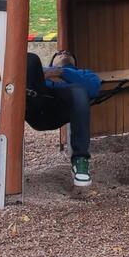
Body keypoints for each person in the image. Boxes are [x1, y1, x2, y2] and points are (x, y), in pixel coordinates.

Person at [24, 52, 94, 187]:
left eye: (68, 53)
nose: (64, 53)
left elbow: (92, 88)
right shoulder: (40, 70)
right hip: (36, 106)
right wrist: (47, 74)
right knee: (31, 58)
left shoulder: (84, 73)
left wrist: (61, 73)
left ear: (74, 62)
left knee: (79, 91)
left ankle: (80, 160)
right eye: (60, 53)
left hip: (61, 110)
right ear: (52, 62)